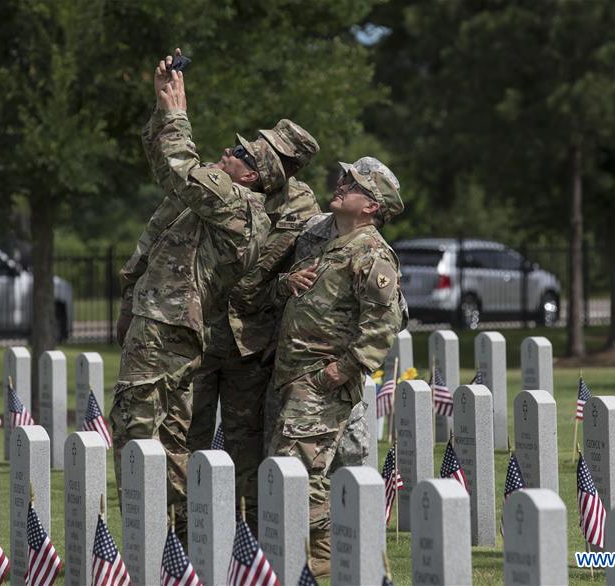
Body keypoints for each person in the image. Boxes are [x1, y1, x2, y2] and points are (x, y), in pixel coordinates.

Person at [110, 53, 279, 535]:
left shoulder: (240, 208)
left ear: (252, 176)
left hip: (168, 329)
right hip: (163, 325)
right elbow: (166, 165)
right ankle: (182, 543)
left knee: (136, 430)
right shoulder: (213, 200)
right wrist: (163, 106)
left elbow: (180, 166)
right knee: (166, 439)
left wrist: (178, 114)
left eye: (240, 152)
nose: (229, 150)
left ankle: (159, 542)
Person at [267, 157, 406, 576]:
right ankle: (318, 554)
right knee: (294, 466)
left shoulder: (372, 253)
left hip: (321, 380)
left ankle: (323, 554)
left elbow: (382, 325)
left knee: (299, 470)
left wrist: (339, 372)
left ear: (371, 206)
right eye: (344, 178)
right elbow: (287, 292)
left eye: (354, 184)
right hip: (293, 375)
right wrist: (285, 283)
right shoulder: (326, 242)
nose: (342, 185)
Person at [186, 119, 321, 531]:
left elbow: (307, 274)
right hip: (202, 329)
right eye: (257, 148)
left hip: (251, 340)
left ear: (289, 166)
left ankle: (246, 536)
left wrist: (281, 319)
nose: (257, 153)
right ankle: (189, 533)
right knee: (190, 434)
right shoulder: (223, 181)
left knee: (246, 442)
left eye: (270, 151)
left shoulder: (302, 207)